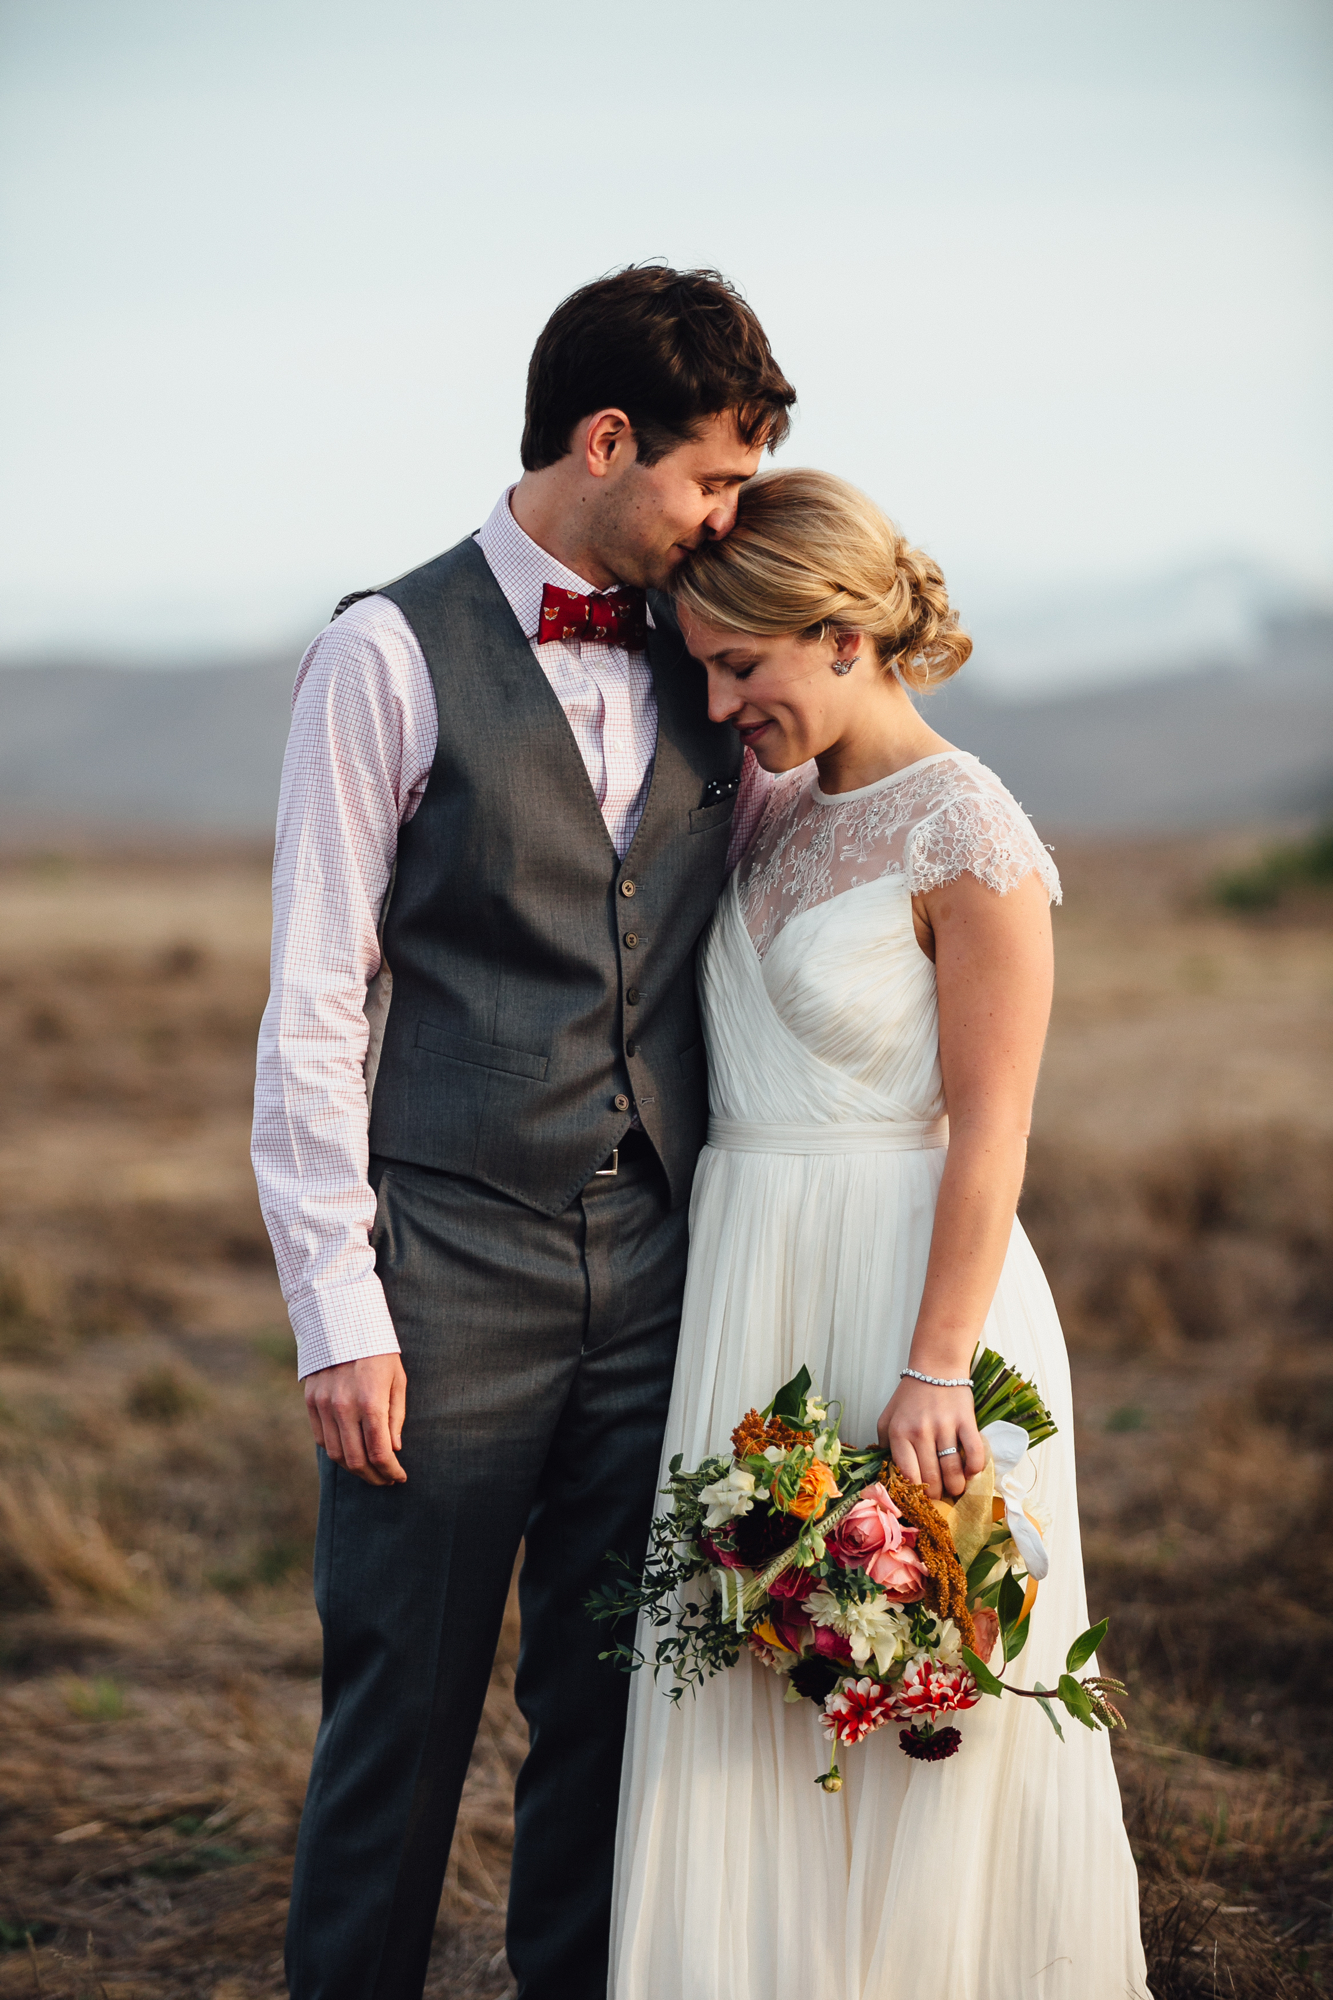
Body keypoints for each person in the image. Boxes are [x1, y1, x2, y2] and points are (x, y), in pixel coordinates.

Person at [251, 264, 796, 2000]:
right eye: (712, 478)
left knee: (616, 1714)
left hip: (657, 1274)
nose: (729, 516)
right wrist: (339, 1311)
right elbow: (315, 1005)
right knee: (398, 1726)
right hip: (446, 1280)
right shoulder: (385, 652)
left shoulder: (707, 656)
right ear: (608, 439)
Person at [610, 470, 1151, 1999]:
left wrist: (933, 1368)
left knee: (908, 1673)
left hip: (910, 1292)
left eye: (742, 665)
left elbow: (992, 1128)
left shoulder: (967, 829)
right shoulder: (773, 815)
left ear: (844, 634)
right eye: (703, 667)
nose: (719, 703)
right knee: (745, 1672)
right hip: (746, 1277)